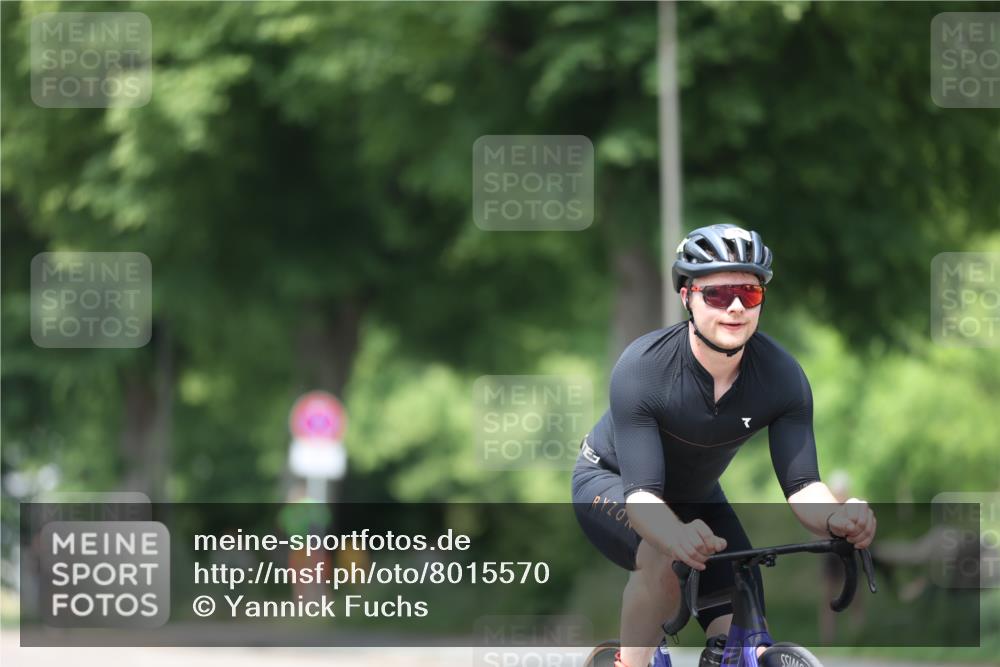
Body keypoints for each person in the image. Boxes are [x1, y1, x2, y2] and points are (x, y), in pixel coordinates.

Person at [571, 224, 877, 667]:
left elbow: (803, 485)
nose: (735, 307)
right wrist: (676, 534)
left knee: (742, 617)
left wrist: (837, 517)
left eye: (749, 294)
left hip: (698, 498)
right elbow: (642, 500)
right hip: (614, 483)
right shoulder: (643, 368)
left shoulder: (782, 377)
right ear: (687, 298)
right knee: (661, 555)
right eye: (717, 295)